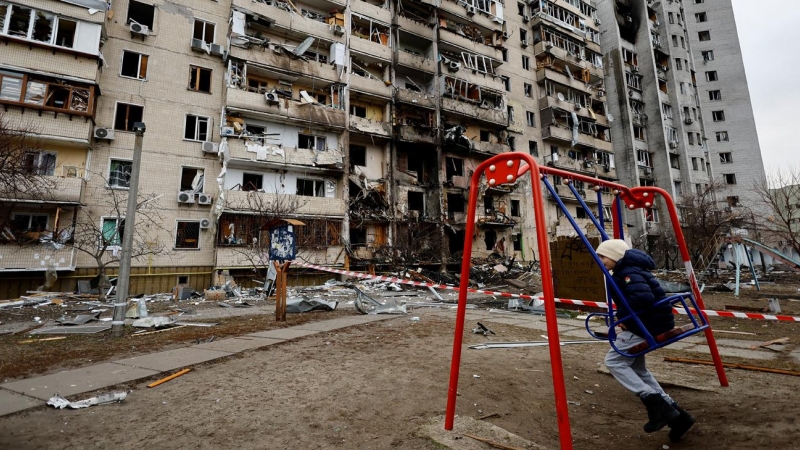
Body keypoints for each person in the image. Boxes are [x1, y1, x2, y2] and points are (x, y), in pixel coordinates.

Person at [595, 239, 695, 442]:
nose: (600, 260)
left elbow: (643, 299)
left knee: (614, 361)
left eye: (603, 256)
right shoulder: (630, 270)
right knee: (639, 370)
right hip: (651, 321)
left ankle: (654, 402)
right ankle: (678, 416)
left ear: (615, 256)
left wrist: (624, 318)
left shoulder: (628, 274)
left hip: (647, 325)